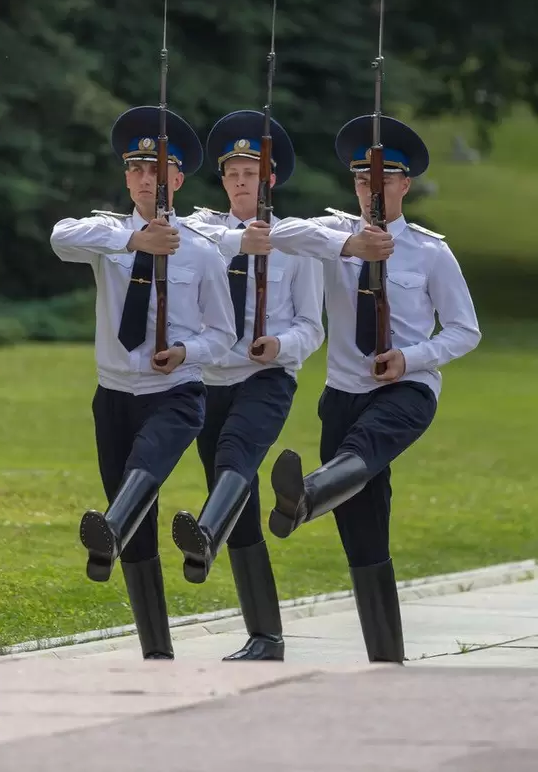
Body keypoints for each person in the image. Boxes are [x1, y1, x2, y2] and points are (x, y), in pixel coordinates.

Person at [261, 113, 481, 664]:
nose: (372, 190)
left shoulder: (432, 252)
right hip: (343, 394)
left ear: (404, 185)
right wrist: (351, 249)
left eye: (383, 180)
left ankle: (307, 494)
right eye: (363, 180)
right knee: (362, 526)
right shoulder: (333, 234)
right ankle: (387, 657)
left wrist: (412, 357)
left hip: (407, 391)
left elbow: (465, 330)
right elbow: (275, 233)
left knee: (364, 451)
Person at [50, 105, 236, 660]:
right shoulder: (107, 236)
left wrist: (184, 351)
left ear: (178, 180)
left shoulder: (201, 250)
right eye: (137, 170)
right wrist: (134, 245)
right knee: (134, 522)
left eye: (158, 171)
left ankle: (109, 526)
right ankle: (157, 649)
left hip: (174, 392)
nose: (146, 179)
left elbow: (222, 334)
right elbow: (61, 238)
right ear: (127, 178)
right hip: (113, 395)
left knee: (146, 467)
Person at [171, 110, 325, 661]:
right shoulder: (205, 235)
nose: (241, 180)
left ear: (271, 179)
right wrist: (242, 245)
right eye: (233, 172)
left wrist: (278, 347)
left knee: (236, 458)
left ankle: (203, 537)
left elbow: (312, 327)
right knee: (237, 497)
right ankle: (266, 636)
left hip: (266, 378)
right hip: (211, 379)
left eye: (251, 171)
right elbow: (195, 237)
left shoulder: (298, 244)